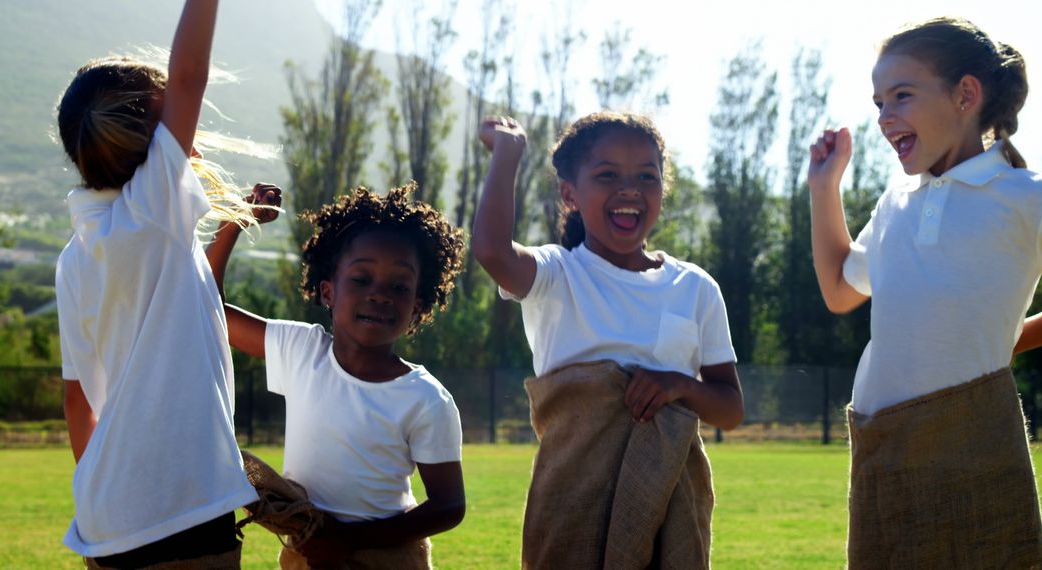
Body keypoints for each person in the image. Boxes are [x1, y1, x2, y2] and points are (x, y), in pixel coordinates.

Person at [808, 16, 1042, 568]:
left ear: (966, 94)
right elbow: (842, 291)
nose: (885, 117)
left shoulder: (1027, 197)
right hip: (882, 452)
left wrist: (1014, 338)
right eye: (878, 103)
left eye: (902, 96)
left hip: (973, 451)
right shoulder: (896, 202)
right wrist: (825, 189)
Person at [473, 112, 743, 568]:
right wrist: (509, 151)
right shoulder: (557, 275)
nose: (629, 190)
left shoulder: (696, 288)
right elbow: (492, 251)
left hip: (670, 512)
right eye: (607, 176)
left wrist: (679, 385)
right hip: (572, 505)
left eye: (645, 176)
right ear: (569, 194)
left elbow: (730, 409)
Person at [55, 0, 264, 566]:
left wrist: (111, 506)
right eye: (167, 109)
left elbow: (79, 399)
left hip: (105, 514)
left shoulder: (76, 256)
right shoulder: (153, 209)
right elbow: (191, 72)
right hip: (181, 505)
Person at [206, 183, 467, 569]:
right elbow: (208, 308)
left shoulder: (426, 398)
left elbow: (449, 506)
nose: (379, 295)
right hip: (306, 555)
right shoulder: (301, 350)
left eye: (399, 286)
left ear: (417, 307)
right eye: (362, 279)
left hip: (390, 558)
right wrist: (234, 222)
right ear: (328, 291)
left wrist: (348, 541)